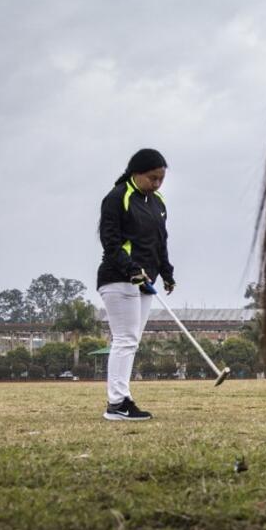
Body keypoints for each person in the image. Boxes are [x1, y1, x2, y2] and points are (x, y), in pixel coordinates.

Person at [96, 148, 175, 421]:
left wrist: (166, 272)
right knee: (125, 340)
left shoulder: (158, 202)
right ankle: (117, 404)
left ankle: (122, 399)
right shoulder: (117, 198)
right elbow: (111, 244)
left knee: (132, 341)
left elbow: (160, 241)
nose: (156, 184)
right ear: (136, 173)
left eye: (161, 179)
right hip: (118, 278)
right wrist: (131, 269)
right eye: (152, 178)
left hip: (146, 281)